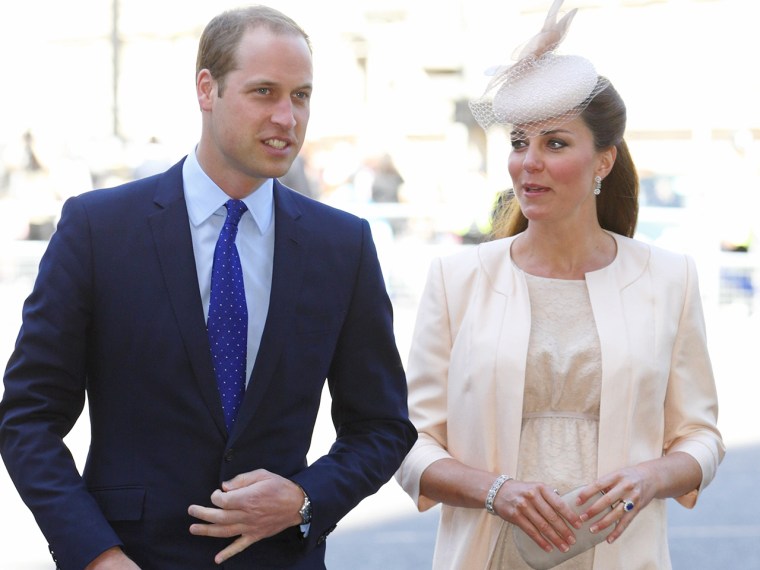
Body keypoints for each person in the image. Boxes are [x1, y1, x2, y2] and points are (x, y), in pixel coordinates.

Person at [0, 6, 416, 570]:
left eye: (301, 96)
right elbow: (27, 417)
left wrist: (305, 499)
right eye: (264, 92)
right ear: (207, 89)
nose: (286, 117)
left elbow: (382, 426)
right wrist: (96, 555)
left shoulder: (341, 245)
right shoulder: (99, 229)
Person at [395, 1, 724, 568]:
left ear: (603, 161)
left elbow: (701, 436)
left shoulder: (670, 278)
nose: (529, 163)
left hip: (622, 554)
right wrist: (498, 492)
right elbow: (410, 444)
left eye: (555, 143)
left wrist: (650, 477)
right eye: (520, 142)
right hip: (489, 554)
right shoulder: (457, 278)